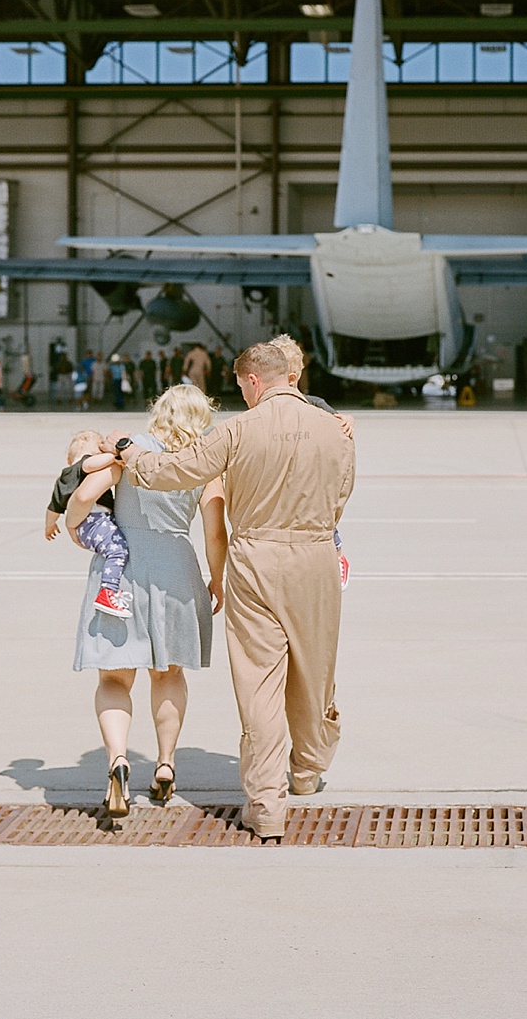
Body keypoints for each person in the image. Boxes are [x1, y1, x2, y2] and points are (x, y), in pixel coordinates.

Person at [118, 343, 354, 841]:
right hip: (314, 558)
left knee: (260, 685)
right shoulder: (337, 430)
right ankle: (308, 768)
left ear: (251, 382)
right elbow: (340, 495)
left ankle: (267, 808)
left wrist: (130, 452)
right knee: (315, 671)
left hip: (256, 561)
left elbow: (170, 473)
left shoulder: (235, 430)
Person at [62, 385, 227, 821]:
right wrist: (218, 579)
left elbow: (82, 495)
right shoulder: (205, 463)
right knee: (167, 672)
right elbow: (215, 531)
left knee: (114, 678)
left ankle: (118, 759)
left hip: (125, 566)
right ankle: (166, 762)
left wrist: (76, 528)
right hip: (176, 567)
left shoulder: (130, 453)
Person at [269, 334, 351, 589]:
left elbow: (339, 424)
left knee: (321, 519)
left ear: (292, 378)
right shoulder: (264, 408)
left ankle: (337, 554)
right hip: (280, 480)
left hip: (308, 479)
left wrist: (347, 420)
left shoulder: (314, 404)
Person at [45, 431, 132, 618]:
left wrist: (50, 526)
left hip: (86, 526)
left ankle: (112, 588)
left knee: (113, 550)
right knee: (118, 550)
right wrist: (116, 456)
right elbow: (91, 464)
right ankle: (108, 591)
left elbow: (53, 507)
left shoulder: (64, 479)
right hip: (95, 521)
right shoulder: (83, 465)